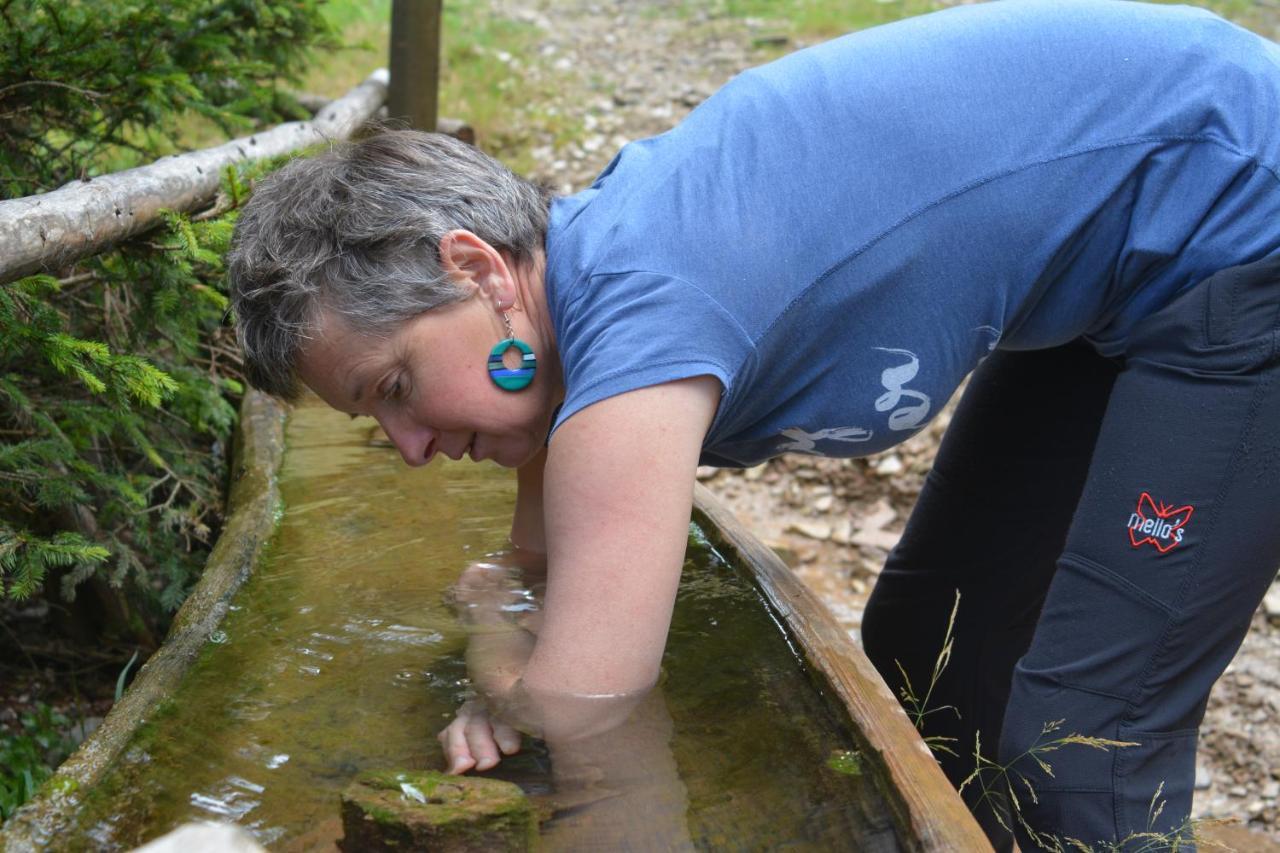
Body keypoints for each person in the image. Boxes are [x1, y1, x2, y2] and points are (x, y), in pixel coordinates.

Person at [227, 0, 1280, 847]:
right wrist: (507, 602)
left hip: (1243, 215)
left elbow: (590, 704)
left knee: (1082, 742)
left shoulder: (633, 350)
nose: (409, 451)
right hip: (1126, 262)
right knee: (928, 647)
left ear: (477, 267)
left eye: (394, 389)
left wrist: (497, 664)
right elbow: (534, 556)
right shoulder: (581, 291)